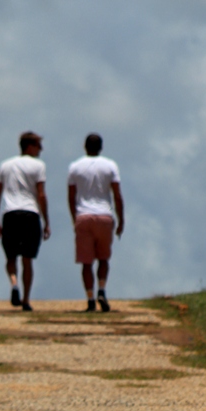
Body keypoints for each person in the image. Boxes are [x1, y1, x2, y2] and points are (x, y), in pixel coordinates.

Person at [0, 131, 50, 312]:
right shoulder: (38, 165)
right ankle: (25, 299)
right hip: (30, 214)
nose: (41, 149)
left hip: (10, 213)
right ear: (30, 146)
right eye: (39, 146)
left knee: (10, 257)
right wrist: (46, 220)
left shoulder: (5, 165)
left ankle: (14, 284)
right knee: (27, 259)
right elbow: (41, 194)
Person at [67, 133, 124, 312]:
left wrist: (74, 217)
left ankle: (90, 298)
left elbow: (71, 196)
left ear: (85, 146)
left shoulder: (75, 167)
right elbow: (117, 195)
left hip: (83, 215)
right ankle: (102, 289)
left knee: (86, 262)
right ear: (101, 147)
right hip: (104, 215)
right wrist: (121, 219)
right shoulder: (110, 165)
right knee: (104, 258)